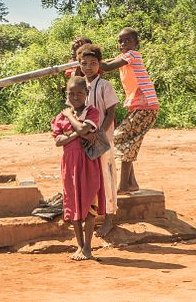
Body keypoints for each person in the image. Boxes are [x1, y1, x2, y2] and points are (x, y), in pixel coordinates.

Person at [100, 27, 160, 194]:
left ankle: (125, 185)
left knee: (120, 138)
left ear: (136, 44)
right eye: (120, 41)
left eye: (128, 41)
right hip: (139, 106)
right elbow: (107, 63)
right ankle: (131, 183)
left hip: (145, 106)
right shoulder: (124, 56)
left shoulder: (132, 55)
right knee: (128, 140)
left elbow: (105, 66)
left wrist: (88, 58)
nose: (123, 44)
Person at [51, 76, 105, 261]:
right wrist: (79, 133)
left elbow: (83, 130)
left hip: (89, 164)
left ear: (87, 94)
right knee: (73, 203)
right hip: (70, 165)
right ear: (66, 93)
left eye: (79, 93)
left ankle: (88, 247)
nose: (75, 97)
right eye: (71, 93)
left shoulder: (92, 112)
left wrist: (70, 118)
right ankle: (80, 246)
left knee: (90, 202)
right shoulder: (59, 117)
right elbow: (59, 141)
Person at [76, 43, 120, 237]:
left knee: (107, 176)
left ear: (99, 64)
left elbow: (111, 113)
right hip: (84, 140)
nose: (88, 67)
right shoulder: (78, 86)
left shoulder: (104, 85)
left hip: (102, 140)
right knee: (89, 178)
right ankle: (91, 216)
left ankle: (109, 218)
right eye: (84, 63)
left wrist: (100, 133)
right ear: (79, 64)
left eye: (93, 63)